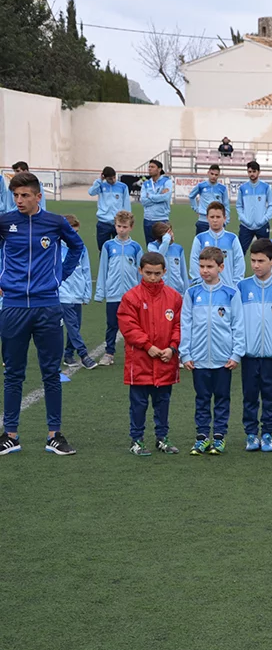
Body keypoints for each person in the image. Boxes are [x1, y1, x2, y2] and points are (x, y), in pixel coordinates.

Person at [0, 171, 84, 456]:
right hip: (12, 307)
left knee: (51, 373)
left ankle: (54, 435)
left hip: (47, 307)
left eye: (25, 195)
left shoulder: (55, 222)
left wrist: (59, 276)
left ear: (38, 196)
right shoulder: (5, 222)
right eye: (16, 195)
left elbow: (78, 247)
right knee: (13, 373)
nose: (19, 200)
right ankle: (10, 435)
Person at [117, 251, 183, 456]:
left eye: (157, 273)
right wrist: (148, 346)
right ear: (140, 271)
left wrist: (172, 348)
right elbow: (128, 326)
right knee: (138, 403)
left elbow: (180, 325)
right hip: (140, 362)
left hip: (165, 361)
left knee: (163, 402)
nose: (153, 277)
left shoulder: (174, 297)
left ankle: (162, 438)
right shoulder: (131, 297)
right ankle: (136, 439)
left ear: (165, 271)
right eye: (148, 273)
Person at [181, 247, 244, 456]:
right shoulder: (192, 293)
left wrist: (236, 354)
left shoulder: (231, 293)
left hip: (223, 359)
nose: (205, 270)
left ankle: (219, 436)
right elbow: (185, 324)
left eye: (209, 266)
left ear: (221, 267)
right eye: (201, 266)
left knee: (222, 398)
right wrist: (186, 353)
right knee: (202, 399)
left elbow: (238, 325)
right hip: (198, 359)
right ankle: (201, 437)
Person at [238, 238, 272, 453]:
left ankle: (267, 433)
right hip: (249, 354)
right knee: (250, 394)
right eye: (253, 260)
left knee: (270, 396)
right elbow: (237, 321)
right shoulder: (242, 287)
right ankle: (251, 433)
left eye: (261, 260)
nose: (256, 265)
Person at [95, 210, 144, 367]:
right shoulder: (108, 246)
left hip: (131, 295)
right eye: (118, 226)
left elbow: (140, 272)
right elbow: (103, 270)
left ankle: (134, 353)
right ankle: (109, 353)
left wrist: (141, 292)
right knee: (112, 324)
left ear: (131, 227)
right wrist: (100, 293)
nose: (121, 229)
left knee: (133, 325)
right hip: (113, 294)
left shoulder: (136, 247)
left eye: (124, 226)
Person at [59, 215, 97, 370]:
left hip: (78, 293)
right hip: (63, 294)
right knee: (72, 325)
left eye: (77, 232)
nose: (74, 236)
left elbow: (86, 271)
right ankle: (84, 355)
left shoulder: (81, 248)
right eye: (72, 232)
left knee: (76, 325)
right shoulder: (55, 248)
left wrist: (86, 293)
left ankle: (68, 355)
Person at [190, 202, 244, 288]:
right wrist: (199, 282)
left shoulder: (232, 238)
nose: (215, 220)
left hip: (228, 288)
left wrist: (235, 285)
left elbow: (239, 262)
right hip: (205, 288)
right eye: (212, 217)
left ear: (224, 218)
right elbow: (194, 261)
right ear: (207, 218)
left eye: (218, 217)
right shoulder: (200, 238)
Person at [236, 161, 272, 255]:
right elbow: (239, 206)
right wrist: (244, 219)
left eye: (254, 171)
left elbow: (271, 205)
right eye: (249, 172)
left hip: (262, 226)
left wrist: (264, 219)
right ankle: (239, 270)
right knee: (240, 252)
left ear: (259, 172)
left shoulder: (265, 187)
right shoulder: (242, 188)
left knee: (265, 253)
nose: (252, 174)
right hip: (246, 226)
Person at [89, 166, 130, 251]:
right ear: (104, 177)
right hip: (103, 222)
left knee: (120, 248)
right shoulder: (100, 185)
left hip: (118, 222)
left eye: (114, 177)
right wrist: (99, 181)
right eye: (110, 179)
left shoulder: (123, 186)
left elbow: (126, 204)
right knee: (103, 249)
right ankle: (103, 264)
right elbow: (91, 192)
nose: (113, 180)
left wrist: (127, 218)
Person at [188, 164, 229, 237]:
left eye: (216, 175)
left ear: (218, 175)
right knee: (202, 245)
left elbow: (226, 205)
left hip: (217, 221)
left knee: (216, 246)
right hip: (203, 221)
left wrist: (226, 221)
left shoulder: (222, 188)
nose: (213, 176)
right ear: (208, 173)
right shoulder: (201, 186)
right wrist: (196, 209)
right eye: (212, 174)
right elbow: (191, 196)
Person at [139, 160, 173, 246]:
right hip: (148, 220)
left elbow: (165, 197)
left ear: (159, 169)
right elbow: (143, 201)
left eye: (152, 167)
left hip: (162, 219)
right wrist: (158, 196)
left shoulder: (166, 181)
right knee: (150, 247)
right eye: (149, 167)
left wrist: (150, 196)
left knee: (164, 246)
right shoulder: (146, 184)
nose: (149, 169)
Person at [149, 222, 187, 296]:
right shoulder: (152, 246)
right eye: (168, 233)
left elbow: (183, 272)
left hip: (177, 292)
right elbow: (158, 258)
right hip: (160, 292)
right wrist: (166, 242)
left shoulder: (178, 248)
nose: (171, 235)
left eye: (171, 231)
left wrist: (185, 291)